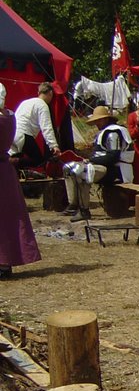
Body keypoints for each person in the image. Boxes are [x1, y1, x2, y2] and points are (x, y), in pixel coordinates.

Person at [62, 106, 134, 222]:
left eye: (99, 120)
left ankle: (84, 210)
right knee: (69, 168)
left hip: (117, 170)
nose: (97, 123)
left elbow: (113, 156)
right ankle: (73, 204)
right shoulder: (106, 131)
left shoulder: (112, 132)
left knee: (83, 172)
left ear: (106, 119)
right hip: (106, 167)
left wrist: (91, 161)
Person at [0, 84, 41, 279]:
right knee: (7, 218)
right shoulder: (9, 116)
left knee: (4, 219)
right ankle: (5, 262)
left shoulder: (3, 120)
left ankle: (3, 262)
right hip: (5, 171)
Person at [9, 82, 60, 170]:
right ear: (50, 93)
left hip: (12, 133)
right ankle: (11, 161)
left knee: (18, 160)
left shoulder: (26, 102)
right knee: (38, 161)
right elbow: (46, 127)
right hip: (24, 134)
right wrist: (54, 145)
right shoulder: (42, 105)